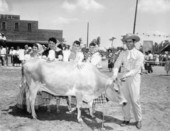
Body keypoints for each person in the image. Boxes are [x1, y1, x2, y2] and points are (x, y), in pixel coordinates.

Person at [112, 34, 144, 129]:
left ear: (134, 42)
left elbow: (135, 69)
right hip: (124, 78)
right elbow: (117, 65)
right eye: (126, 42)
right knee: (124, 100)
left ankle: (139, 120)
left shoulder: (140, 55)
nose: (128, 44)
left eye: (130, 42)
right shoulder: (122, 53)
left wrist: (125, 75)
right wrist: (114, 74)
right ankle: (126, 118)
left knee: (135, 99)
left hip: (134, 78)